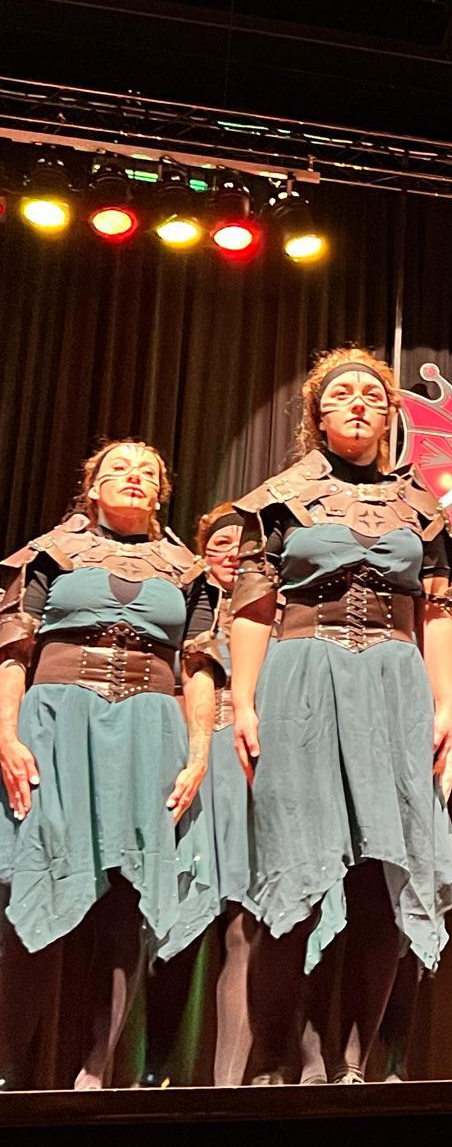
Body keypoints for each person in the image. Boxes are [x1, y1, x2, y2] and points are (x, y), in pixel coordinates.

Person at [231, 347, 452, 1083]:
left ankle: (358, 1062)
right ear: (318, 415)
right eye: (343, 394)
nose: (359, 402)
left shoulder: (421, 507)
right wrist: (243, 703)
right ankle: (279, 1061)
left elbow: (436, 613)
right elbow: (253, 609)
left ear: (391, 414)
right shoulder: (279, 500)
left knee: (383, 876)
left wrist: (447, 706)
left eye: (373, 394)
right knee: (295, 873)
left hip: (394, 685)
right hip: (302, 678)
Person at [0, 441, 216, 1089]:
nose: (133, 477)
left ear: (161, 494)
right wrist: (6, 734)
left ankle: (95, 1074)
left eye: (147, 472)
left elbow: (200, 668)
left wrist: (198, 754)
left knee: (129, 901)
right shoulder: (49, 554)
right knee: (33, 886)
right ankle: (7, 1070)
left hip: (149, 734)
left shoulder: (188, 571)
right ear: (92, 488)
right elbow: (13, 651)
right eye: (117, 469)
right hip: (57, 728)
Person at [141, 504, 257, 1086]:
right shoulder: (178, 605)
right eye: (220, 543)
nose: (232, 552)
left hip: (252, 769)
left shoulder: (276, 610)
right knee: (176, 921)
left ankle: (230, 1089)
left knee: (245, 924)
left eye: (243, 544)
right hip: (186, 768)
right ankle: (153, 1075)